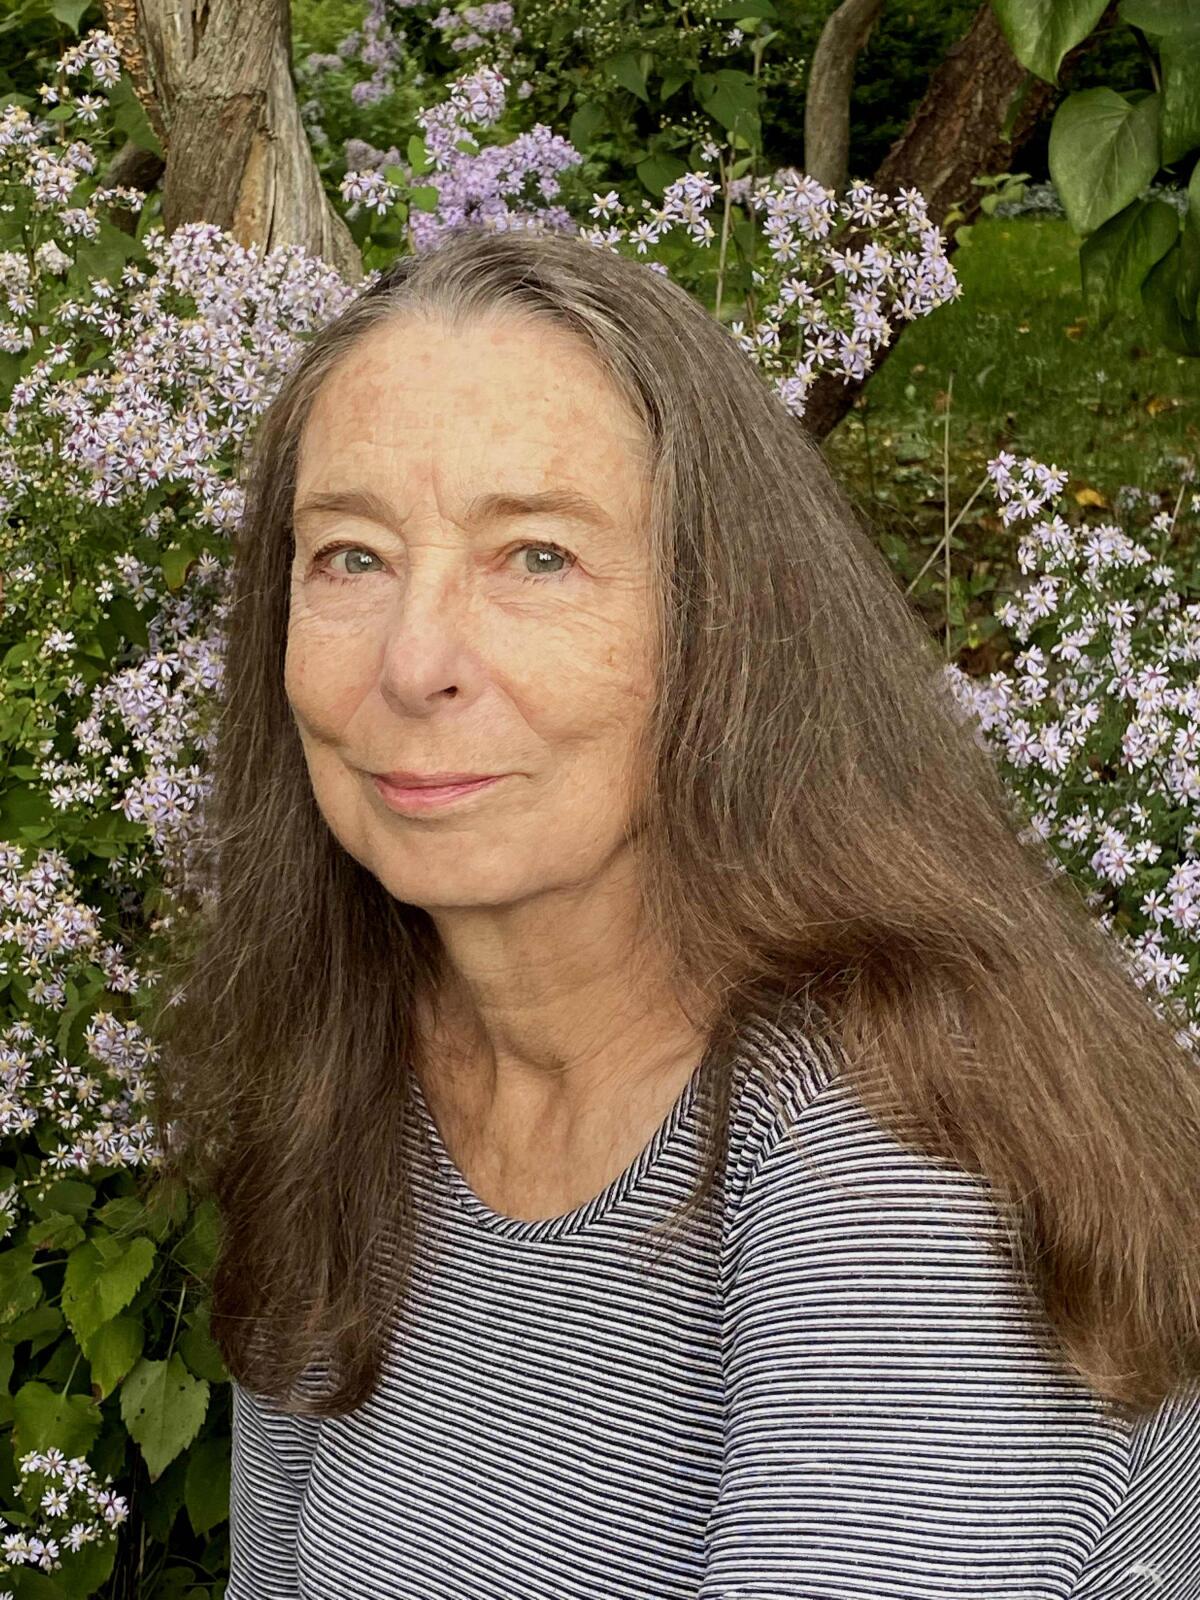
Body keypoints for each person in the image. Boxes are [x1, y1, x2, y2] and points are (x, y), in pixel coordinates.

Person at [148, 223, 1200, 1598]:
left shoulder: (894, 1169)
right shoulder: (355, 1087)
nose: (414, 662)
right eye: (350, 557)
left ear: (725, 630)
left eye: (535, 556)